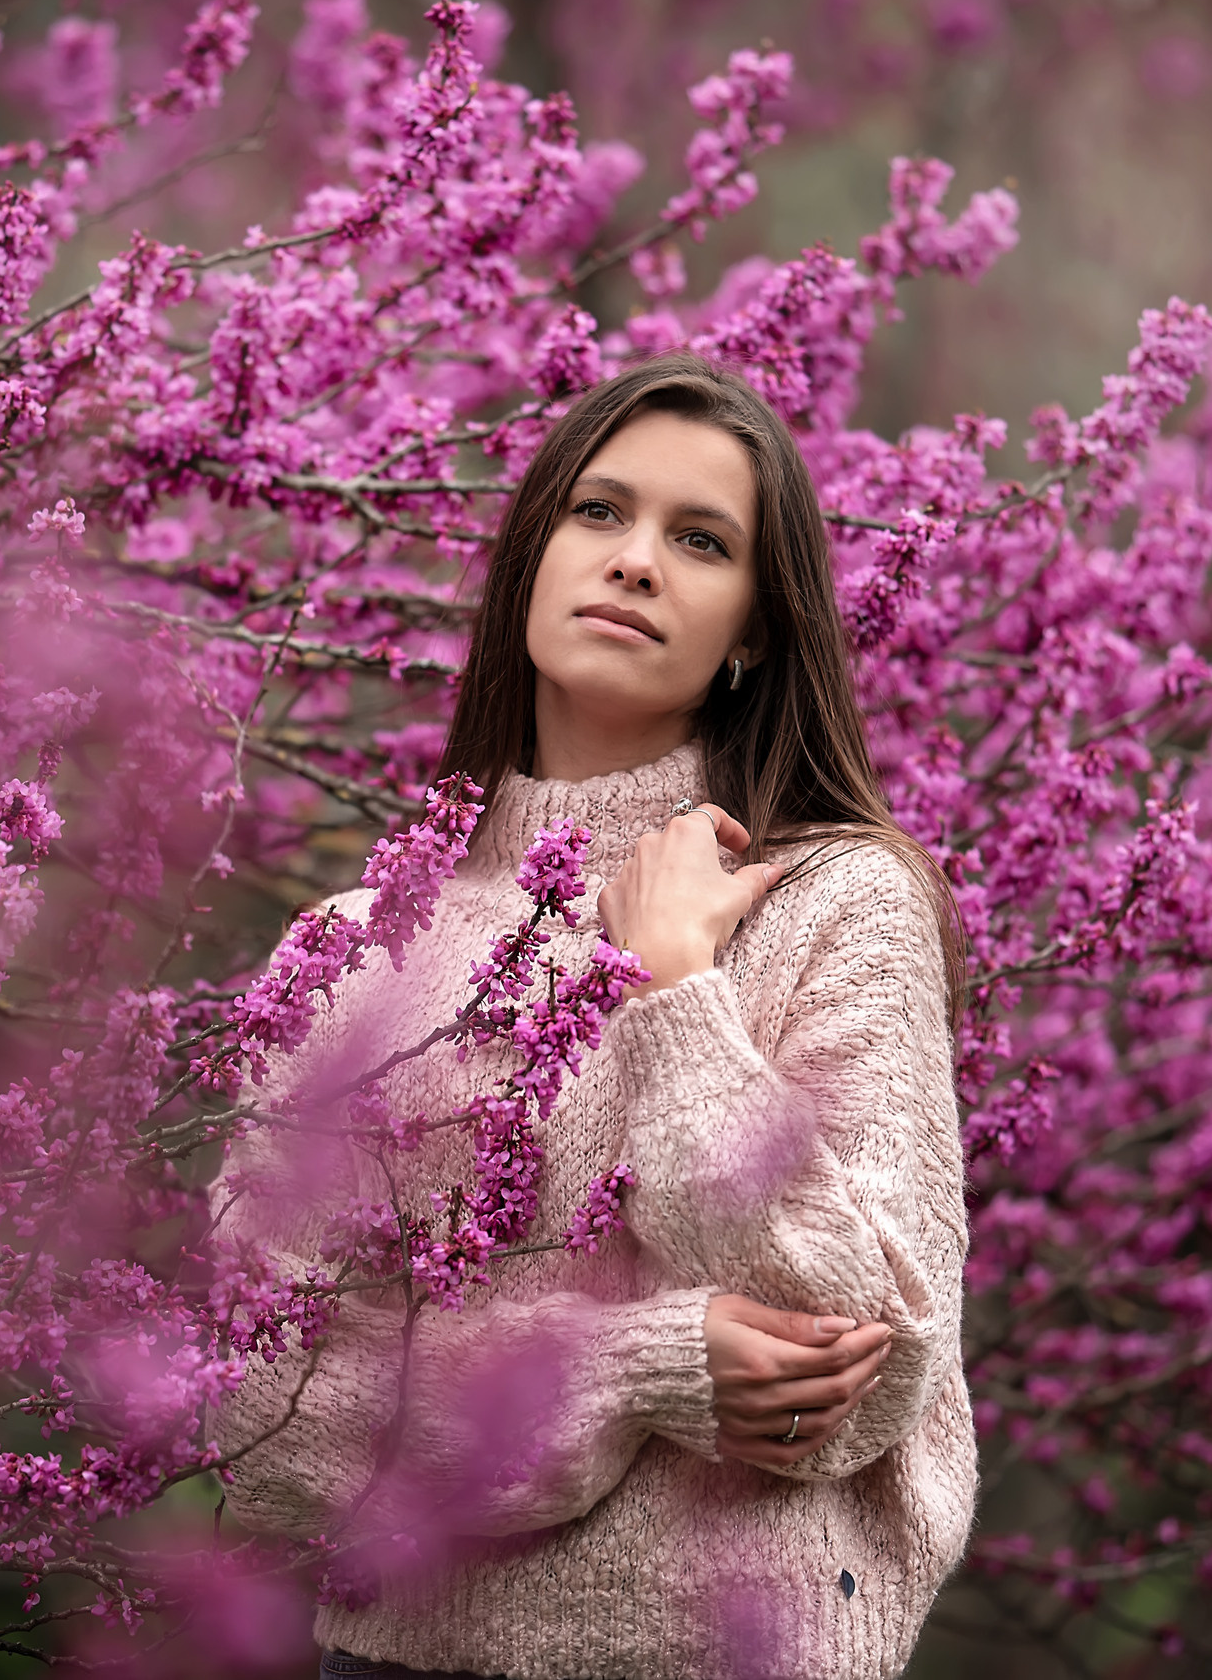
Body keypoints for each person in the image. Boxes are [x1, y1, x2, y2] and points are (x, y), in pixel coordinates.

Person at [207, 351, 974, 1680]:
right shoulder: (344, 957)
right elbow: (255, 1413)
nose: (635, 560)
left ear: (750, 629)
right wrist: (632, 1371)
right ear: (531, 559)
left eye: (699, 538)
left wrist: (677, 990)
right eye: (600, 512)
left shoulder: (836, 903)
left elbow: (865, 1355)